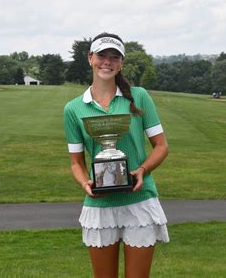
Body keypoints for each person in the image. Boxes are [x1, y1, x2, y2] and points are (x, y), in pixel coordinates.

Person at [63, 32, 170, 277]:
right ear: (90, 58)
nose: (107, 62)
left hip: (139, 200)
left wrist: (143, 170)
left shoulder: (140, 96)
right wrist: (84, 183)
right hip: (100, 205)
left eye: (114, 57)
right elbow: (76, 162)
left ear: (121, 63)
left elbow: (162, 146)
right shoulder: (73, 108)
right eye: (102, 55)